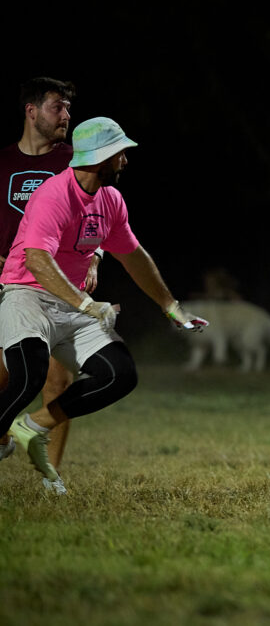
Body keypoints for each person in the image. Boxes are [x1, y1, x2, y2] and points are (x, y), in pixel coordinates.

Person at [0, 116, 207, 494]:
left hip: (74, 304)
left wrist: (172, 307)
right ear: (98, 158)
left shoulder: (110, 200)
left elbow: (133, 257)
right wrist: (87, 303)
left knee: (120, 374)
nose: (125, 161)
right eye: (119, 154)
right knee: (29, 374)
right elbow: (37, 261)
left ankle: (32, 427)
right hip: (27, 294)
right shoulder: (53, 195)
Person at [0, 77, 102, 475]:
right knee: (6, 378)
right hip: (9, 283)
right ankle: (4, 437)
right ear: (31, 111)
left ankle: (50, 479)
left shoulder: (75, 162)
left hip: (57, 283)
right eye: (57, 107)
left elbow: (100, 215)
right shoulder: (3, 163)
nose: (66, 116)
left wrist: (94, 258)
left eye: (68, 109)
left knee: (57, 383)